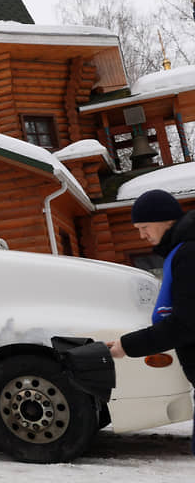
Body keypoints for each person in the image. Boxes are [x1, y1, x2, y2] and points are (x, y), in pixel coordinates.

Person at [107, 189, 195, 451]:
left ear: (166, 221)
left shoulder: (189, 254)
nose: (142, 235)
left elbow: (187, 323)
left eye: (144, 227)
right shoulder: (182, 251)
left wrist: (128, 345)